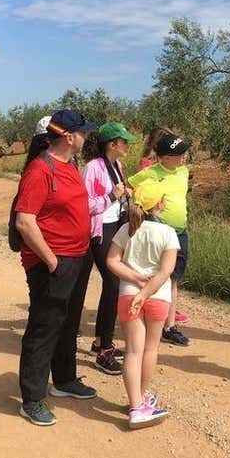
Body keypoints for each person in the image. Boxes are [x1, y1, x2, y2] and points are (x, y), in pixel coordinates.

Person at [15, 109, 98, 426]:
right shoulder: (40, 169)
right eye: (83, 132)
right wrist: (51, 260)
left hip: (77, 258)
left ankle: (64, 379)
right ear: (68, 136)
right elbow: (25, 221)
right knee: (44, 326)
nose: (86, 137)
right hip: (53, 262)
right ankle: (32, 398)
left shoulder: (70, 166)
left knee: (68, 322)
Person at [106, 179, 176, 429]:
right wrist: (145, 292)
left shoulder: (127, 228)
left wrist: (135, 280)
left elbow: (112, 261)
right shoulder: (167, 233)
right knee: (150, 350)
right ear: (160, 204)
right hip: (157, 297)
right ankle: (142, 401)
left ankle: (135, 402)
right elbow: (166, 271)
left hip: (128, 295)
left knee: (132, 351)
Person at [81, 122, 136, 375]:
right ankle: (104, 349)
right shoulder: (92, 168)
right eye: (124, 141)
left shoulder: (117, 166)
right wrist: (113, 196)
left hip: (116, 227)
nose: (128, 145)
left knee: (114, 285)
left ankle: (101, 341)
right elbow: (85, 205)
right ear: (112, 144)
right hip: (99, 231)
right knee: (113, 283)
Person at [127, 132, 191, 346]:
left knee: (173, 278)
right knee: (154, 275)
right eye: (178, 153)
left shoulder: (183, 172)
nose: (183, 156)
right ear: (163, 157)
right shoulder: (150, 172)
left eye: (184, 152)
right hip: (158, 232)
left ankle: (169, 326)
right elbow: (129, 186)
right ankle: (145, 319)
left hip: (180, 232)